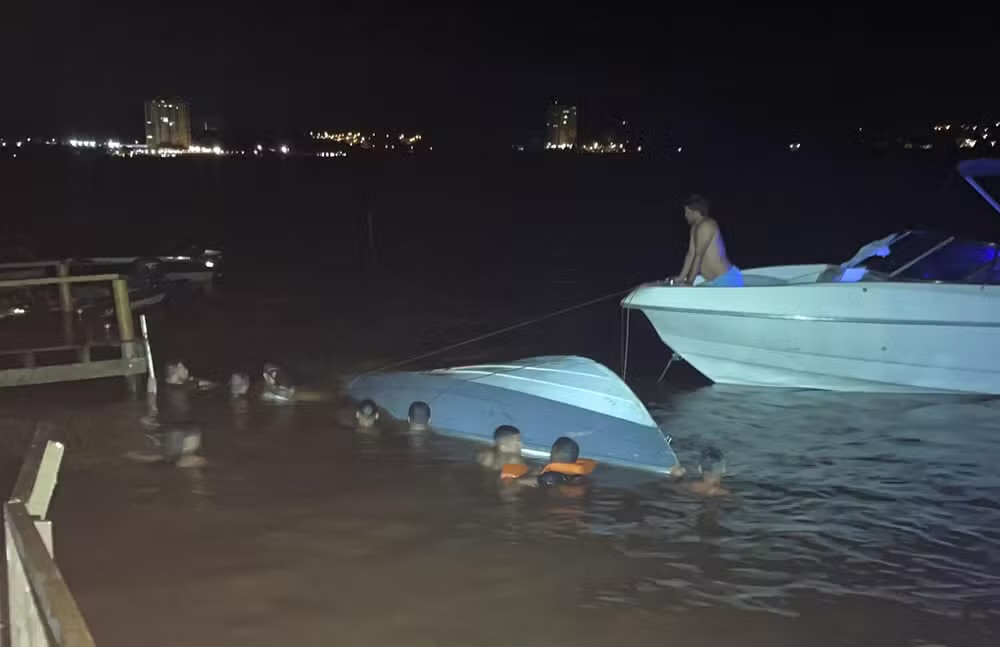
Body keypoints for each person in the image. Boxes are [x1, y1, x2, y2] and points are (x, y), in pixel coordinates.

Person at [671, 194, 743, 287]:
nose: (685, 215)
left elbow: (698, 256)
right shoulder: (695, 227)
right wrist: (681, 277)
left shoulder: (706, 226)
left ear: (696, 212)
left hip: (726, 280)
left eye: (687, 212)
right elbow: (691, 254)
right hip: (714, 281)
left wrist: (690, 282)